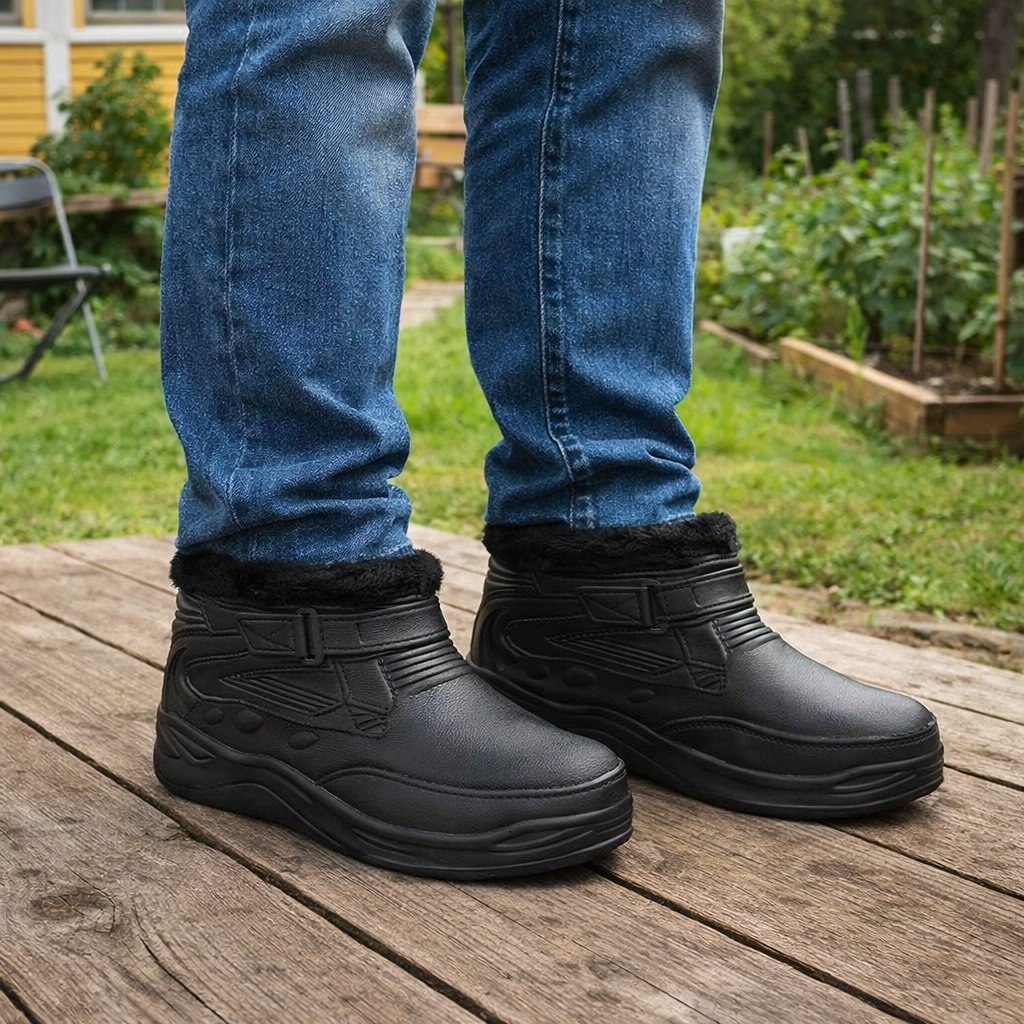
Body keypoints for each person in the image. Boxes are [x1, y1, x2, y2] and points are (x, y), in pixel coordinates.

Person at [153, 0, 944, 880]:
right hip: (283, 618)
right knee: (329, 13)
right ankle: (285, 602)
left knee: (626, 19)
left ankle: (603, 590)